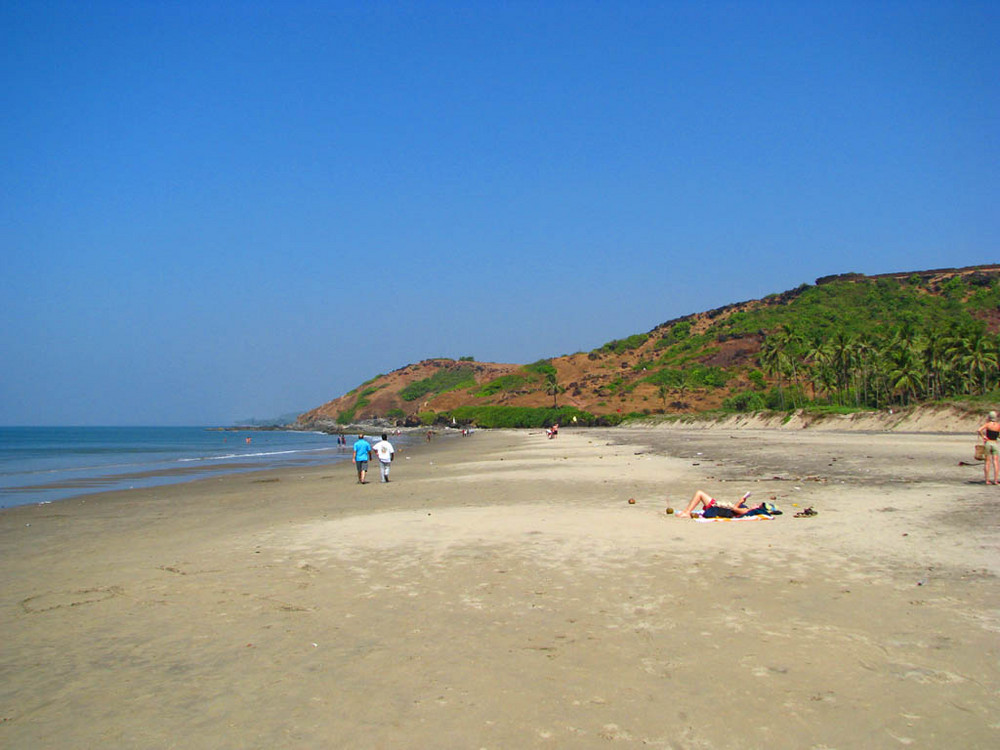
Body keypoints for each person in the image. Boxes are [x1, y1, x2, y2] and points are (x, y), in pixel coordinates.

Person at [675, 490, 761, 519]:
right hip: (717, 507)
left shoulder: (748, 512)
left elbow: (734, 509)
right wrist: (741, 501)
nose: (755, 504)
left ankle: (687, 512)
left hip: (716, 509)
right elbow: (735, 509)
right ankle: (686, 512)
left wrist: (749, 509)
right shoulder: (746, 510)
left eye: (757, 506)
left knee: (699, 493)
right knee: (699, 493)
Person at [977, 410, 1000, 485]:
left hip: (988, 443)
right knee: (996, 462)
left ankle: (987, 480)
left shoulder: (987, 424)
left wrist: (983, 436)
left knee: (987, 462)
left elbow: (979, 430)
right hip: (994, 443)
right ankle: (996, 480)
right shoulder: (998, 425)